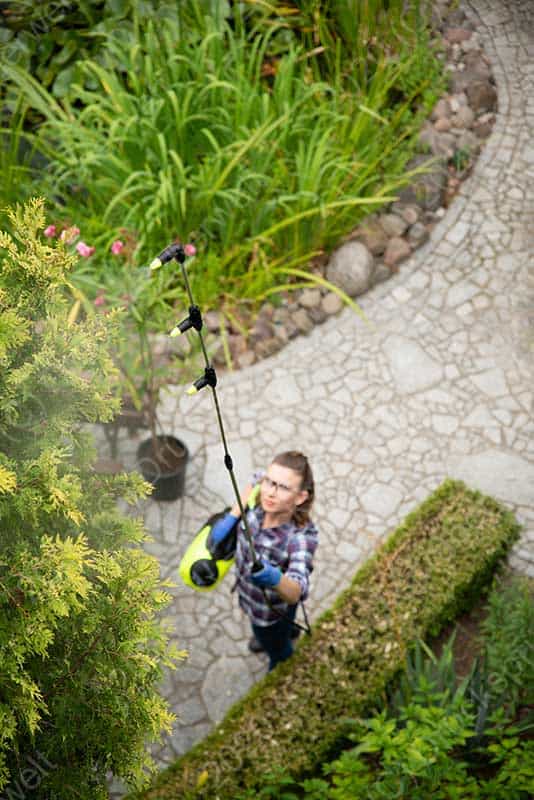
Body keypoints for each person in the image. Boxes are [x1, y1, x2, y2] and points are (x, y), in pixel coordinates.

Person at [210, 451, 318, 671]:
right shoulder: (262, 499)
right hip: (249, 596)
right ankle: (289, 631)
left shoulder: (300, 537)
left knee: (274, 643)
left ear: (300, 497)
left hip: (268, 613)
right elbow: (256, 479)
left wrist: (276, 578)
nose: (271, 493)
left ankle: (280, 661)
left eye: (284, 488)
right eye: (270, 482)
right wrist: (233, 514)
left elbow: (296, 590)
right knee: (286, 624)